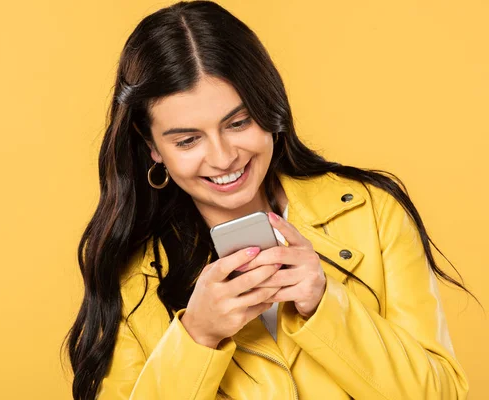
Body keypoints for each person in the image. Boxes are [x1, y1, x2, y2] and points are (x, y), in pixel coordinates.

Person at [64, 1, 475, 399]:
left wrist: (324, 304)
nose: (224, 157)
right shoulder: (133, 275)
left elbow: (441, 394)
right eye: (187, 140)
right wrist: (198, 336)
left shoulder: (372, 213)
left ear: (268, 107)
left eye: (238, 123)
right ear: (152, 147)